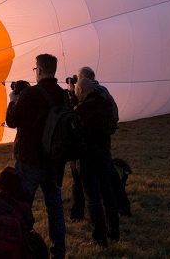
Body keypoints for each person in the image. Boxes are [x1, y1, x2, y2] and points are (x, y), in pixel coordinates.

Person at [6, 54, 67, 259]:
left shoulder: (31, 94)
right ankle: (59, 251)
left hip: (30, 159)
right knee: (55, 207)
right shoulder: (63, 95)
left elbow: (12, 121)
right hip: (54, 160)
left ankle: (22, 248)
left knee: (22, 207)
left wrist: (13, 101)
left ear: (39, 70)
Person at [67, 66, 119, 221]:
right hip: (103, 147)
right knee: (106, 188)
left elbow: (74, 120)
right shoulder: (104, 94)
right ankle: (113, 226)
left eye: (78, 78)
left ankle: (80, 215)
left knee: (86, 188)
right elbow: (114, 117)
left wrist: (73, 96)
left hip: (86, 152)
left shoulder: (85, 102)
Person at [74, 78, 119, 247]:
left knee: (93, 198)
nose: (75, 93)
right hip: (104, 155)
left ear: (83, 91)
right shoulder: (106, 105)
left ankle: (99, 237)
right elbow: (113, 125)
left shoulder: (82, 110)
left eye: (77, 90)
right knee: (108, 194)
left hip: (87, 159)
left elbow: (76, 133)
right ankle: (114, 231)